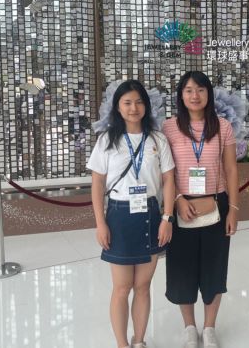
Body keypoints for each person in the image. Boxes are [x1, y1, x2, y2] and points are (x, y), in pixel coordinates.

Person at [88, 80, 176, 348]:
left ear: (146, 106)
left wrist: (167, 218)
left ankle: (139, 341)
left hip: (151, 214)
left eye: (139, 102)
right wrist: (100, 223)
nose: (133, 108)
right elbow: (97, 184)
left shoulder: (157, 139)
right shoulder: (106, 140)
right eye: (127, 102)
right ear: (117, 107)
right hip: (119, 215)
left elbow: (169, 180)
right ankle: (121, 344)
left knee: (143, 286)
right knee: (122, 287)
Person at [162, 71, 240, 348]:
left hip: (216, 203)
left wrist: (233, 208)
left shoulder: (223, 126)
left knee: (214, 269)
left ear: (209, 94)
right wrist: (178, 200)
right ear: (181, 95)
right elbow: (165, 171)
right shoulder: (169, 127)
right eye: (188, 90)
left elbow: (231, 169)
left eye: (200, 90)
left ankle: (209, 328)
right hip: (180, 205)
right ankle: (189, 328)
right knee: (182, 269)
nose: (195, 96)